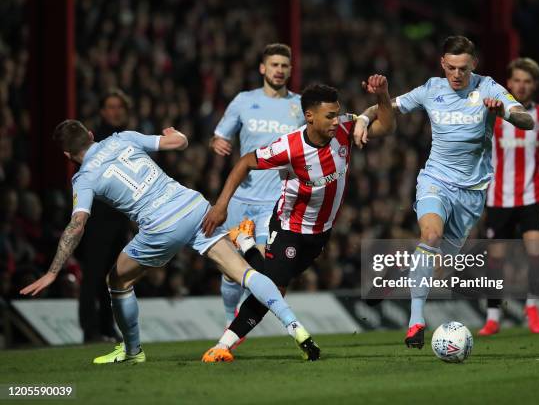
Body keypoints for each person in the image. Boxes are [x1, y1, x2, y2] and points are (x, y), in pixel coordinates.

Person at [20, 120, 320, 363]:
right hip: (193, 205)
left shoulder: (83, 178)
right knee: (245, 272)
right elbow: (179, 142)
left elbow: (77, 223)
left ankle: (132, 351)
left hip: (160, 226)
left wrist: (53, 271)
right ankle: (298, 329)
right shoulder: (121, 138)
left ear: (67, 156)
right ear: (90, 134)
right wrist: (176, 134)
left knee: (117, 280)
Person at [354, 36, 535, 349]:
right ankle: (415, 324)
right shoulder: (431, 89)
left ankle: (395, 277)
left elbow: (526, 119)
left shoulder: (488, 88)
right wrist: (363, 117)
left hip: (472, 192)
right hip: (435, 180)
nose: (456, 75)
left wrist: (503, 112)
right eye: (451, 67)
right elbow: (388, 106)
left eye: (463, 68)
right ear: (442, 64)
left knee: (439, 271)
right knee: (431, 236)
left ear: (473, 65)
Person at [200, 75, 396, 362]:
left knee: (276, 280)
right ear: (309, 116)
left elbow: (386, 124)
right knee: (274, 286)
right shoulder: (289, 148)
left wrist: (382, 96)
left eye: (337, 113)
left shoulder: (343, 128)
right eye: (329, 116)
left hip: (321, 232)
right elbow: (245, 162)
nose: (335, 120)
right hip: (290, 226)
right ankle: (222, 346)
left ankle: (244, 242)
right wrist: (221, 205)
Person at [210, 43, 305, 327]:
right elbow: (219, 135)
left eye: (284, 66)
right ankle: (230, 317)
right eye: (274, 65)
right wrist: (218, 143)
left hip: (275, 201)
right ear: (263, 68)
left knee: (259, 266)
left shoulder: (299, 106)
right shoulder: (243, 101)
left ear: (290, 70)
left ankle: (238, 323)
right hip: (240, 199)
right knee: (230, 271)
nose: (279, 70)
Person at [478, 58, 539, 336]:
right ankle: (492, 317)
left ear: (534, 85)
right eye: (517, 81)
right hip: (498, 197)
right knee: (496, 259)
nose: (522, 86)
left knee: (537, 250)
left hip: (532, 195)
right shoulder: (494, 114)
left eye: (527, 82)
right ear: (509, 83)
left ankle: (532, 306)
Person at [77, 88, 131, 343]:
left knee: (113, 277)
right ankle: (90, 330)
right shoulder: (93, 140)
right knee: (93, 275)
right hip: (98, 218)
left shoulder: (125, 138)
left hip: (119, 218)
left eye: (119, 107)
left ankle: (108, 328)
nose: (116, 111)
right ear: (102, 111)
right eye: (111, 107)